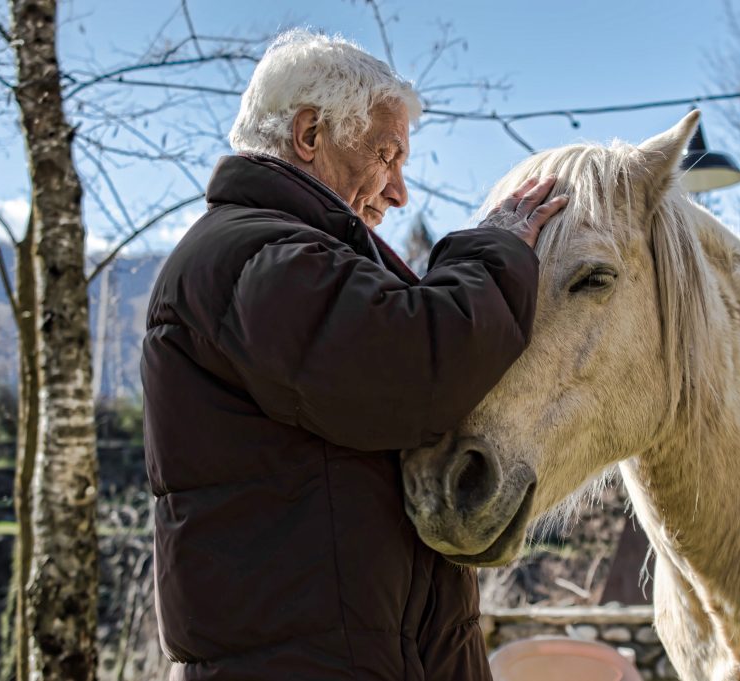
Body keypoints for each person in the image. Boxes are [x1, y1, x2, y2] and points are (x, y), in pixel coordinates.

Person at [141, 29, 567, 681]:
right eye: (386, 155)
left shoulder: (288, 256)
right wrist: (494, 250)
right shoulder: (258, 258)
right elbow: (416, 370)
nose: (399, 192)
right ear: (310, 134)